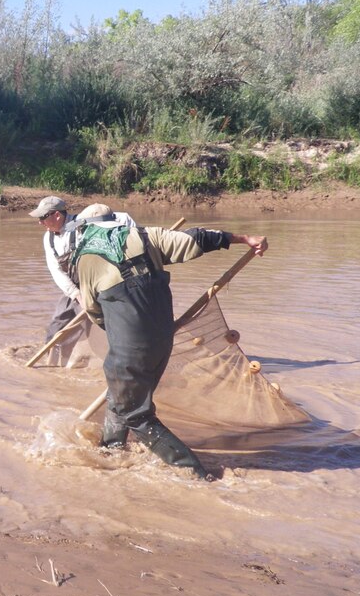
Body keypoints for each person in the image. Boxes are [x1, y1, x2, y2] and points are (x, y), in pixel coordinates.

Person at [71, 203, 268, 480]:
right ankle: (110, 452)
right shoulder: (145, 236)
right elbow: (197, 239)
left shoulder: (86, 257)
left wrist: (117, 330)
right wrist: (244, 238)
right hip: (163, 340)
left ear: (86, 229)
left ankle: (195, 473)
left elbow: (93, 310)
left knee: (136, 415)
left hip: (130, 348)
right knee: (121, 398)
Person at [29, 196, 135, 366]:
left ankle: (123, 361)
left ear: (56, 215)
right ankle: (54, 365)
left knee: (103, 327)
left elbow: (123, 218)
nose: (40, 223)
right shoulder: (48, 239)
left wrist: (136, 236)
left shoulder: (82, 222)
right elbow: (56, 271)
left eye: (42, 218)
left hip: (99, 284)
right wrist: (77, 295)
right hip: (75, 288)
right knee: (57, 328)